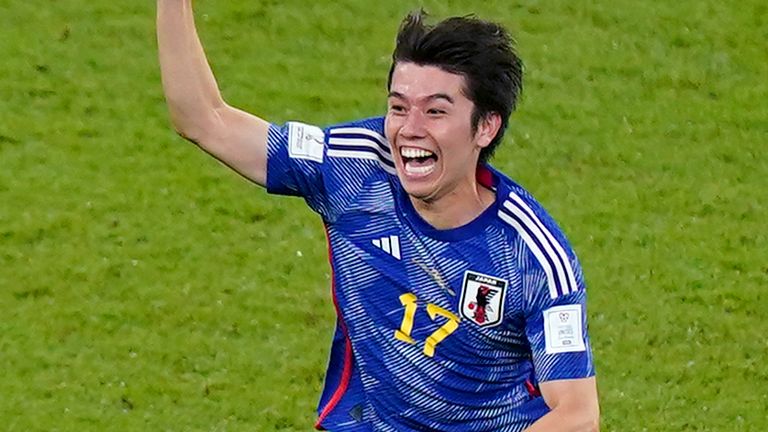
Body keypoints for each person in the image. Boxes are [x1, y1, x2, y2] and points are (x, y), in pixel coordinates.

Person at [157, 1, 600, 431]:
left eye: (436, 111)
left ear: (486, 126)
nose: (410, 129)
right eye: (399, 106)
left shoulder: (531, 256)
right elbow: (204, 119)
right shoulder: (358, 167)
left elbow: (578, 416)